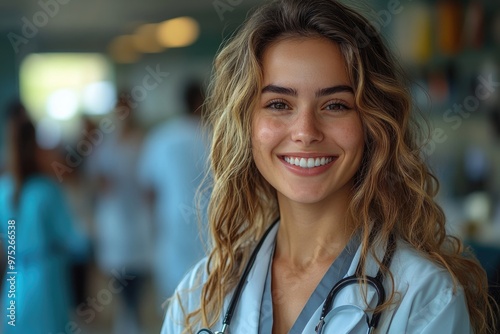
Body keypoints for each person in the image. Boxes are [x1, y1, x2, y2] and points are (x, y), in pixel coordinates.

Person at [161, 0, 497, 333]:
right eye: (279, 104)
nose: (306, 132)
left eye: (335, 105)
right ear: (246, 124)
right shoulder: (199, 295)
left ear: (372, 124)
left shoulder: (425, 298)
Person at [0, 103, 88, 333]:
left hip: (13, 284)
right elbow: (75, 240)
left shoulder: (4, 191)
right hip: (46, 282)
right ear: (37, 148)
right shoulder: (46, 191)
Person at [138, 80, 210, 308]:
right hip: (213, 220)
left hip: (172, 219)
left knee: (175, 294)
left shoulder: (162, 137)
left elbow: (148, 189)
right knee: (209, 290)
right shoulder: (217, 134)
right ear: (202, 101)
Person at [87, 93, 152, 334]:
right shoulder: (105, 141)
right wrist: (102, 183)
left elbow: (151, 180)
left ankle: (133, 316)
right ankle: (127, 317)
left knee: (138, 269)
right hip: (113, 217)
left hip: (138, 216)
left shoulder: (143, 140)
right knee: (118, 271)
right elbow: (94, 176)